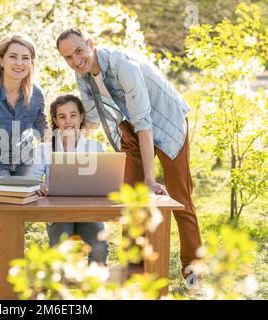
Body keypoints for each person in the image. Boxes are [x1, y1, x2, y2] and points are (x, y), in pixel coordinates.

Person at [56, 28, 201, 278]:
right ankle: (136, 271)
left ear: (91, 44)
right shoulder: (83, 75)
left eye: (79, 51)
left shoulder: (124, 66)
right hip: (134, 128)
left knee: (180, 200)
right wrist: (65, 146)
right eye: (68, 57)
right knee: (130, 200)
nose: (76, 61)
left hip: (167, 123)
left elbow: (146, 123)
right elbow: (90, 121)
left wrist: (149, 180)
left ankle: (193, 275)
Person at [32, 94, 108, 265]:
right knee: (59, 248)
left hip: (89, 212)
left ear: (81, 117)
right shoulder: (44, 149)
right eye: (62, 116)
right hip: (58, 212)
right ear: (55, 120)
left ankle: (94, 287)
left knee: (100, 247)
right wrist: (39, 183)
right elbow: (33, 179)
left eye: (73, 115)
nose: (68, 121)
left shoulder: (95, 148)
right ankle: (59, 288)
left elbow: (104, 181)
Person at [0, 34, 48, 197]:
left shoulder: (36, 94)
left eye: (25, 58)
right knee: (3, 199)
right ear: (1, 61)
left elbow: (44, 131)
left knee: (28, 200)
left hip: (25, 157)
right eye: (13, 56)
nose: (19, 63)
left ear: (31, 63)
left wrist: (59, 167)